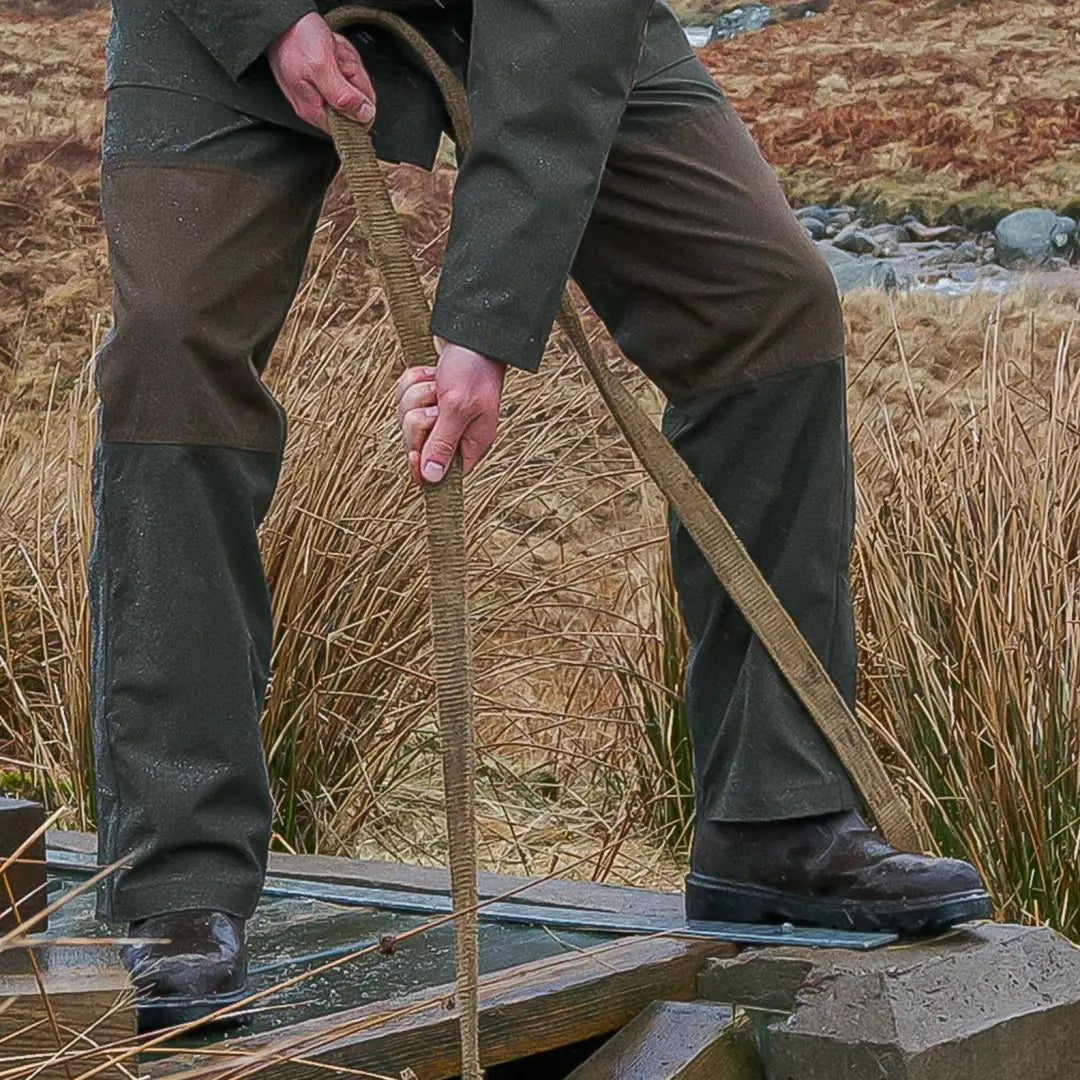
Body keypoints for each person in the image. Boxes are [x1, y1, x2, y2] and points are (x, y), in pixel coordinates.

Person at [95, 0, 991, 1022]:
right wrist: (264, 19)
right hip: (218, 26)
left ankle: (774, 819)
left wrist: (484, 323)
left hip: (539, 19)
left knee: (767, 308)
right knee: (169, 360)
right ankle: (176, 887)